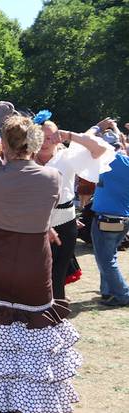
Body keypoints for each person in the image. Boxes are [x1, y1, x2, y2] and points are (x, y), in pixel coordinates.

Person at [0, 101, 81, 413]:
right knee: (33, 325)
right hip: (34, 261)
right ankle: (29, 399)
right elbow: (38, 212)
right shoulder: (51, 178)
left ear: (4, 145)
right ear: (34, 144)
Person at [33, 111, 113, 300]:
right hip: (32, 222)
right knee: (34, 270)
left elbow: (99, 150)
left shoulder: (67, 156)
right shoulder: (24, 157)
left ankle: (56, 309)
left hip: (63, 220)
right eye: (42, 137)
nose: (46, 141)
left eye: (52, 137)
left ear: (59, 139)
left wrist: (69, 135)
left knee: (58, 272)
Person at [91, 118, 129, 307]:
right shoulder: (126, 160)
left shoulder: (104, 160)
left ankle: (123, 294)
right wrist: (114, 130)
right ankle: (108, 292)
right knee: (109, 256)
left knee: (106, 260)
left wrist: (98, 127)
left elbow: (85, 142)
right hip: (122, 217)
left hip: (107, 217)